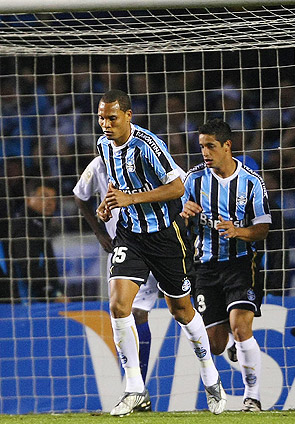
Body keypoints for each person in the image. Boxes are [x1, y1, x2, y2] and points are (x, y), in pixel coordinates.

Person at [95, 90, 226, 416]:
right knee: (118, 305)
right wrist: (108, 202)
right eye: (101, 118)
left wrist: (131, 199)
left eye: (112, 118)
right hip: (130, 235)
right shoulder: (103, 146)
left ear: (128, 115)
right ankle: (134, 388)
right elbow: (117, 183)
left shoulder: (148, 145)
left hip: (165, 237)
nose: (106, 124)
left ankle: (210, 376)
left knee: (181, 311)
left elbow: (177, 188)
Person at [181, 119, 271, 412]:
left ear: (227, 146)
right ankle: (231, 345)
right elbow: (176, 221)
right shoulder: (193, 180)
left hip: (241, 264)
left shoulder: (251, 182)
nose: (205, 153)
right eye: (201, 147)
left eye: (210, 146)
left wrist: (238, 232)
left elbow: (263, 228)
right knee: (215, 345)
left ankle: (252, 397)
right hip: (205, 267)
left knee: (241, 327)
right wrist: (183, 214)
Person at [73, 156, 163, 385]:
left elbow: (180, 184)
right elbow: (80, 196)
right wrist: (99, 232)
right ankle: (137, 386)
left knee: (179, 309)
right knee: (127, 312)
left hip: (157, 243)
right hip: (121, 247)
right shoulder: (98, 165)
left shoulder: (146, 153)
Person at [9, 177, 65, 302]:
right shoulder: (23, 226)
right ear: (28, 200)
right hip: (28, 301)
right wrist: (51, 293)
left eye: (53, 198)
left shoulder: (40, 225)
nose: (50, 202)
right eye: (44, 196)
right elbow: (27, 267)